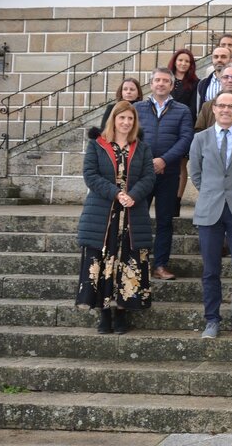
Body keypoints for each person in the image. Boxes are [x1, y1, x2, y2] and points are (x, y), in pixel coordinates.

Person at [76, 101, 155, 335]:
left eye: (130, 119)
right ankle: (104, 313)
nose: (126, 122)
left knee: (126, 261)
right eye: (122, 118)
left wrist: (133, 195)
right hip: (103, 213)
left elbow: (149, 177)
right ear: (113, 120)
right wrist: (116, 193)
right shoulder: (97, 145)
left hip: (132, 212)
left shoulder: (141, 147)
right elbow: (90, 175)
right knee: (103, 262)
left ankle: (121, 312)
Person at [189, 91, 232, 339]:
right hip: (210, 211)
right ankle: (212, 320)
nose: (226, 110)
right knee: (210, 270)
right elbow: (195, 173)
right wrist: (212, 192)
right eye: (222, 106)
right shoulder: (200, 138)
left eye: (231, 106)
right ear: (214, 108)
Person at [134, 68, 193, 282]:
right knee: (138, 220)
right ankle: (137, 264)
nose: (160, 84)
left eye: (165, 81)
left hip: (169, 173)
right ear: (151, 84)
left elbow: (186, 138)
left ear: (171, 85)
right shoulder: (137, 108)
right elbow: (131, 137)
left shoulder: (183, 110)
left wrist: (164, 160)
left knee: (165, 221)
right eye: (157, 80)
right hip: (142, 173)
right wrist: (148, 161)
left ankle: (160, 265)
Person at [169, 48, 200, 213]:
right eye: (180, 60)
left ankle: (176, 200)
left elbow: (193, 108)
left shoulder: (195, 82)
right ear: (175, 61)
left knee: (181, 165)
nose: (183, 63)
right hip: (166, 127)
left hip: (184, 127)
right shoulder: (167, 79)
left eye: (187, 61)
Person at [195, 46, 232, 114]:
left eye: (223, 57)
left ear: (231, 60)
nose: (219, 60)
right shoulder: (203, 84)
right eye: (216, 57)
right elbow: (199, 111)